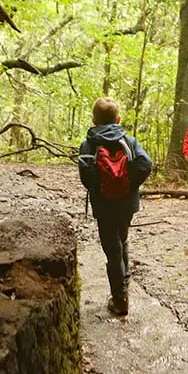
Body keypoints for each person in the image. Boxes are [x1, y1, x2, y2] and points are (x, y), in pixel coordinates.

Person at [78, 96, 153, 317]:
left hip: (103, 205)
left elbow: (85, 176)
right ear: (118, 119)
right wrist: (130, 184)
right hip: (127, 203)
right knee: (122, 241)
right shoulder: (129, 141)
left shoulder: (89, 144)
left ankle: (120, 300)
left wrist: (99, 188)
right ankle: (124, 286)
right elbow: (145, 164)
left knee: (112, 249)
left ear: (94, 120)